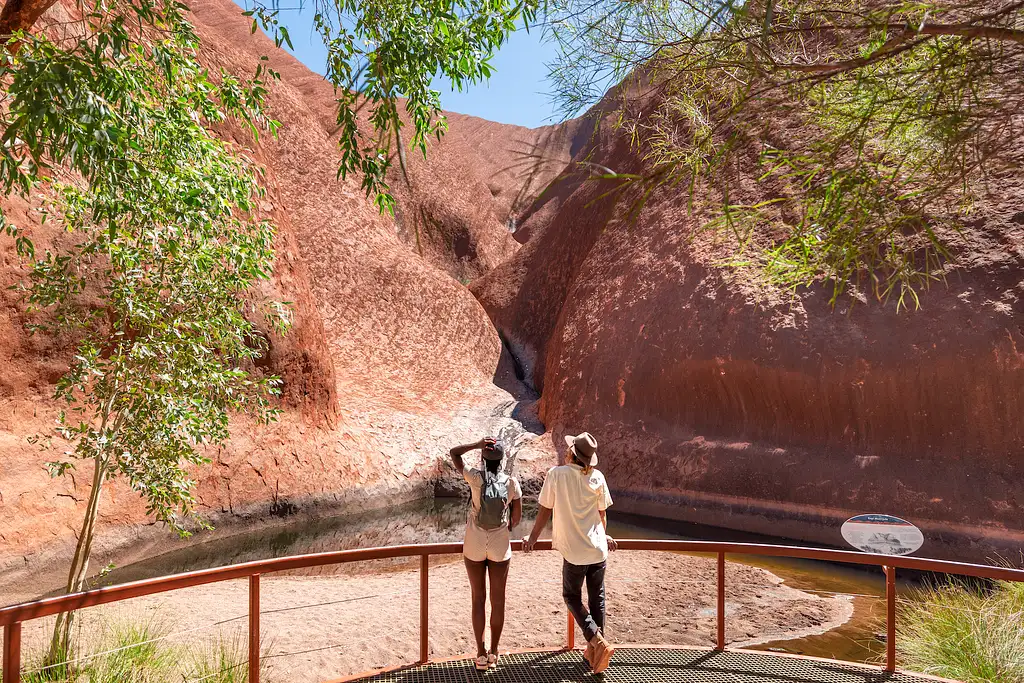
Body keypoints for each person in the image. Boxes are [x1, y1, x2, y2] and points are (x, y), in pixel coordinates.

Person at [523, 432, 616, 673]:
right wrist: (604, 536)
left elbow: (544, 509)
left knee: (571, 596)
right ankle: (595, 653)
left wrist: (532, 538)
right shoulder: (597, 477)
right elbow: (602, 514)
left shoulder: (557, 475)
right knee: (597, 599)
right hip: (598, 550)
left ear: (571, 453)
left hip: (575, 552)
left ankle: (597, 642)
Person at [450, 437, 523, 671]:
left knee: (478, 598)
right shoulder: (511, 483)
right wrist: (507, 525)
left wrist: (475, 445)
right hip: (500, 544)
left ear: (483, 458)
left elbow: (454, 453)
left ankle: (480, 654)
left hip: (474, 542)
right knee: (498, 600)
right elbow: (516, 518)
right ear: (501, 460)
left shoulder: (475, 477)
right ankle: (494, 652)